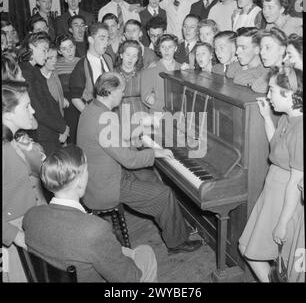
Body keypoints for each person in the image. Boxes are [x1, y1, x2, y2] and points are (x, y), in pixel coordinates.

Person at [77, 72, 203, 255]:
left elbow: (111, 139)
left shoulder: (93, 109)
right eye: (121, 91)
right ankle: (177, 242)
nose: (123, 95)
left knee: (151, 177)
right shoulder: (104, 119)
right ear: (110, 92)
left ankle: (175, 224)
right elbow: (129, 160)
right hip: (107, 185)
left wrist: (135, 135)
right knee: (165, 193)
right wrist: (155, 152)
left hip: (100, 175)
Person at [23, 144, 158, 282]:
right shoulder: (95, 230)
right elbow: (130, 278)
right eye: (87, 169)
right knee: (146, 252)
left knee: (126, 252)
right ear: (80, 181)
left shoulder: (30, 216)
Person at [239, 66, 303, 282]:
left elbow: (296, 181)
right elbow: (276, 147)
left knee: (262, 255)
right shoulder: (287, 117)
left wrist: (283, 223)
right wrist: (267, 117)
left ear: (290, 94)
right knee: (246, 246)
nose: (268, 95)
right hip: (273, 188)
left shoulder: (301, 129)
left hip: (285, 197)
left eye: (272, 90)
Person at [2, 80, 46, 282]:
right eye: (27, 106)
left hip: (28, 223)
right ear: (8, 113)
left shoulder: (14, 139)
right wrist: (17, 237)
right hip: (12, 237)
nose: (33, 110)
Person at [19, 32, 69, 156]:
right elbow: (38, 110)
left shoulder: (33, 70)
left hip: (50, 131)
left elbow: (50, 102)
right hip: (42, 135)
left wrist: (62, 126)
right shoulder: (25, 72)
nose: (46, 56)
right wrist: (62, 128)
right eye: (44, 50)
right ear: (31, 47)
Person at [69, 22, 113, 128]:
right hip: (95, 119)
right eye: (102, 38)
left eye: (107, 39)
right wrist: (91, 116)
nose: (106, 43)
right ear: (90, 40)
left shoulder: (108, 58)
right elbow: (75, 97)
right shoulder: (81, 65)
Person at [114, 40, 148, 142]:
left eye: (134, 56)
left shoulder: (143, 73)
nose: (130, 59)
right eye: (127, 54)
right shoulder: (112, 73)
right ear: (121, 55)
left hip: (140, 114)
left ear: (138, 58)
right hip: (118, 114)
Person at [141, 34, 181, 112]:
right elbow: (145, 97)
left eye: (170, 47)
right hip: (158, 114)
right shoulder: (150, 71)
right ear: (159, 49)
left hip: (181, 115)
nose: (166, 50)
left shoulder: (183, 69)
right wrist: (164, 108)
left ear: (175, 48)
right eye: (163, 47)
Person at [55, 34, 80, 144]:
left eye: (71, 47)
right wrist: (61, 97)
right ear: (59, 51)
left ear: (75, 46)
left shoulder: (83, 61)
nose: (69, 51)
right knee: (71, 135)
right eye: (64, 49)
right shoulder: (55, 64)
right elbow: (52, 85)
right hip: (66, 104)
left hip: (82, 100)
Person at [226, 27, 268, 92]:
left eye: (243, 48)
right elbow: (230, 72)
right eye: (237, 47)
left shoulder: (266, 71)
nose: (237, 52)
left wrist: (242, 76)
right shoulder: (236, 66)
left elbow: (239, 78)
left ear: (257, 49)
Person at [252, 27, 287, 93]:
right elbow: (255, 87)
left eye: (268, 47)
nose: (261, 52)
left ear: (282, 50)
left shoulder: (289, 74)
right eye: (261, 48)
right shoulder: (273, 70)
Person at [40, 44, 69, 118]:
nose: (55, 61)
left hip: (59, 114)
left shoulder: (54, 72)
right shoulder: (38, 78)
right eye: (50, 58)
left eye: (56, 57)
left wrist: (61, 99)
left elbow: (56, 90)